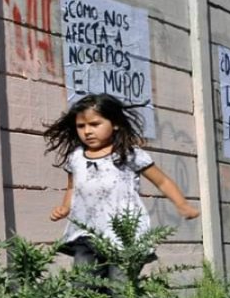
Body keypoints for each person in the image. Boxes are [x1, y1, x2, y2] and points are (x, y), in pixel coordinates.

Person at [45, 93, 199, 283]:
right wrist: (65, 207)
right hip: (87, 234)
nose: (87, 131)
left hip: (124, 234)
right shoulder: (76, 157)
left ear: (115, 123)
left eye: (95, 124)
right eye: (81, 126)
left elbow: (162, 181)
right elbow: (73, 187)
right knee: (85, 286)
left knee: (121, 289)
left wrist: (182, 204)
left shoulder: (128, 154)